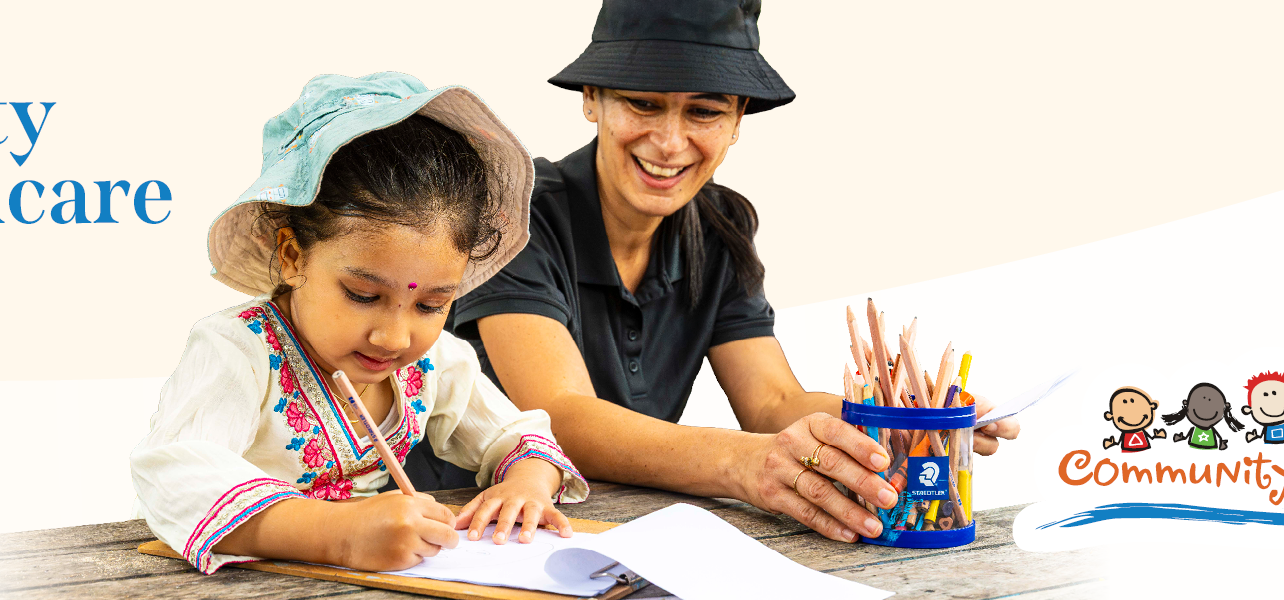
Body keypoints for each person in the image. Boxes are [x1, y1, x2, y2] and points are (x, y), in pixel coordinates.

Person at [401, 0, 1019, 543]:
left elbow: (775, 400)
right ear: (592, 99)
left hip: (628, 532)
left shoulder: (722, 226)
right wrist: (743, 464)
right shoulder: (518, 213)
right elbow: (560, 414)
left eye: (704, 112)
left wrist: (901, 420)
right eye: (643, 104)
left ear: (738, 120)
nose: (670, 143)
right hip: (471, 529)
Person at [130, 73, 588, 575]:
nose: (394, 336)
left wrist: (527, 485)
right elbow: (175, 475)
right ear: (291, 256)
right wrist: (341, 535)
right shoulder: (237, 349)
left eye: (431, 305)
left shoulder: (434, 360)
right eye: (363, 295)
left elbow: (515, 433)